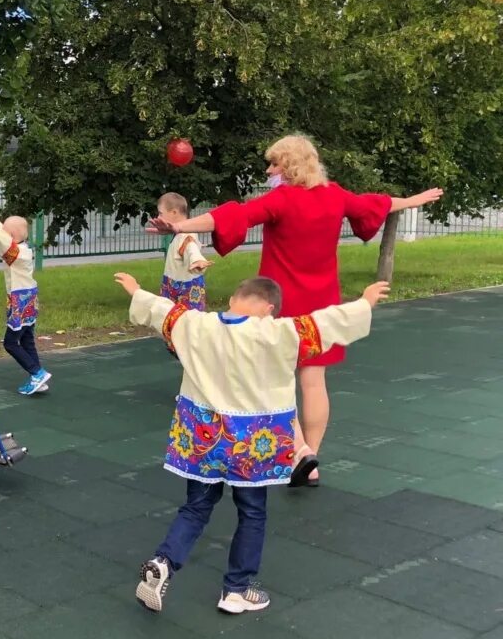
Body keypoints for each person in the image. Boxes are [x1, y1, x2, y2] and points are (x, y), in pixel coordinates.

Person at [147, 134, 441, 485]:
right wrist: (413, 200)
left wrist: (180, 226)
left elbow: (231, 216)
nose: (269, 170)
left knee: (276, 378)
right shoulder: (335, 196)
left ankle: (300, 450)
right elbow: (374, 204)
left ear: (289, 167)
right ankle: (311, 460)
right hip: (322, 303)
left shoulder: (281, 200)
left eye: (274, 163)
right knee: (314, 382)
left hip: (281, 305)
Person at [115, 271, 390, 614]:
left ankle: (165, 561)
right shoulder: (279, 333)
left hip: (204, 439)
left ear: (233, 299)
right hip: (253, 443)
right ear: (270, 308)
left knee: (196, 507)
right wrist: (365, 302)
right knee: (252, 512)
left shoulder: (195, 324)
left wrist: (136, 290)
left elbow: (162, 310)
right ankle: (236, 589)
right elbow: (326, 323)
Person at [0, 207, 50, 395]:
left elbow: (1, 240)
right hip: (28, 299)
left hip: (21, 301)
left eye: (6, 232)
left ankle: (37, 372)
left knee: (10, 343)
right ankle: (38, 378)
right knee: (27, 340)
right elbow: (2, 240)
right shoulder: (21, 250)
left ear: (12, 235)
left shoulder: (18, 253)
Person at [157, 192, 212, 311]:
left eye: (161, 213)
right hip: (173, 283)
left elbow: (191, 247)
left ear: (174, 212)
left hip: (185, 288)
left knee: (187, 323)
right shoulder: (179, 233)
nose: (158, 217)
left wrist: (197, 260)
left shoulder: (186, 234)